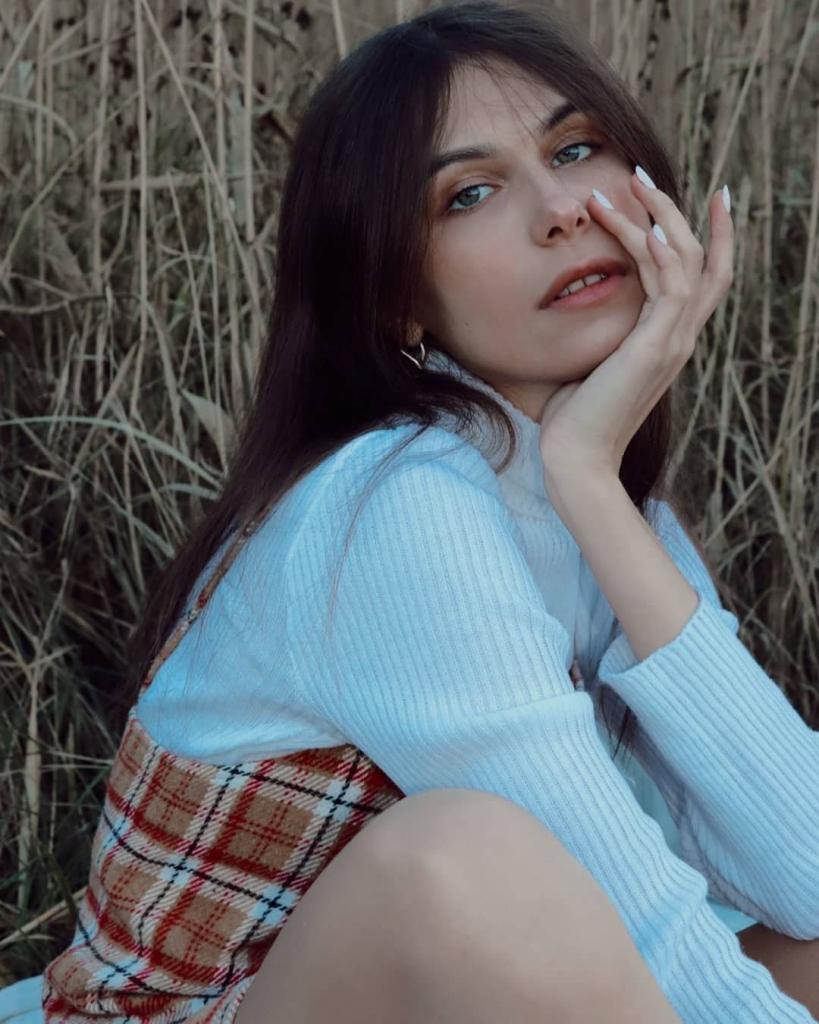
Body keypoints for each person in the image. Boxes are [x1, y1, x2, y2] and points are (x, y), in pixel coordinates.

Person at [9, 1, 815, 1023]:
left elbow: (807, 872)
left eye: (575, 149)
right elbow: (627, 904)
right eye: (468, 194)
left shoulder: (587, 489)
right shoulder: (397, 506)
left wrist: (592, 485)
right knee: (465, 853)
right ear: (396, 297)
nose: (561, 210)